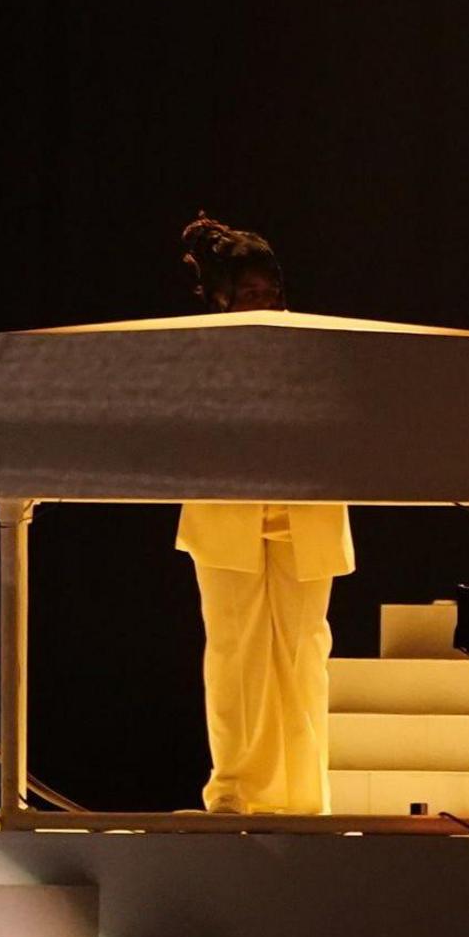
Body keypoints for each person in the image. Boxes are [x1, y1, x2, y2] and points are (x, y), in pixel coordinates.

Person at [171, 214, 350, 814]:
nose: (264, 300)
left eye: (269, 289)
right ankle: (233, 788)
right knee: (232, 654)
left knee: (303, 652)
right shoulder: (202, 356)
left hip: (305, 513)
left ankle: (304, 794)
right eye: (249, 292)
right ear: (221, 297)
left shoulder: (312, 342)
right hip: (227, 516)